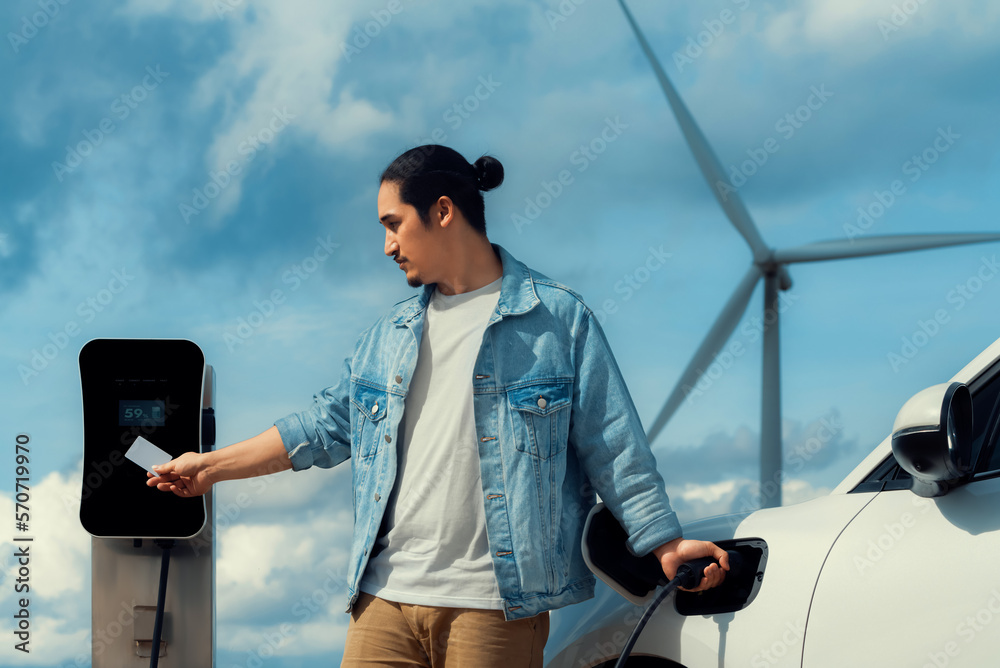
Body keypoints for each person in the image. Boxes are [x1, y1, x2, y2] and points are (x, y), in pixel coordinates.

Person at [147, 145, 729, 667]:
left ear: (444, 212)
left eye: (394, 224)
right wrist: (211, 466)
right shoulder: (388, 336)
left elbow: (613, 445)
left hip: (494, 609)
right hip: (382, 604)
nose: (387, 246)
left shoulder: (557, 322)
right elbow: (324, 427)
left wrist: (666, 543)